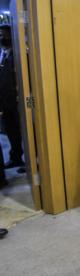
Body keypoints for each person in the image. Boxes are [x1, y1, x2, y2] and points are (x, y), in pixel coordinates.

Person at [0, 25, 25, 172]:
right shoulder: (3, 54)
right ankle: (16, 157)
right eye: (1, 35)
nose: (3, 37)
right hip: (6, 103)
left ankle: (31, 163)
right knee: (11, 132)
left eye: (5, 35)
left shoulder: (20, 55)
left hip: (19, 102)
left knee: (26, 132)